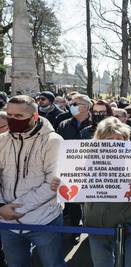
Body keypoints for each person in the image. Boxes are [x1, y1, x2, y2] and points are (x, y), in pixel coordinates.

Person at [52, 117, 131, 267]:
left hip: (128, 229)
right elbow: (76, 196)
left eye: (118, 139)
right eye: (108, 139)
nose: (113, 143)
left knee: (130, 264)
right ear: (98, 140)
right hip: (96, 227)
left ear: (126, 141)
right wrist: (61, 185)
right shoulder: (82, 161)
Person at [0, 95, 66, 267]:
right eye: (9, 115)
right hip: (7, 222)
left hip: (44, 219)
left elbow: (53, 183)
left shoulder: (53, 141)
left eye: (19, 116)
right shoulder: (2, 140)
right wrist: (1, 207)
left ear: (34, 117)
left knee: (53, 264)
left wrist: (16, 208)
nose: (12, 120)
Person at [56, 94, 92, 239]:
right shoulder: (64, 124)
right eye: (71, 104)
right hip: (70, 170)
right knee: (73, 203)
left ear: (85, 106)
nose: (71, 106)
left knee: (90, 202)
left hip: (92, 170)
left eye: (75, 104)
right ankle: (75, 230)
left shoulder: (97, 124)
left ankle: (93, 232)